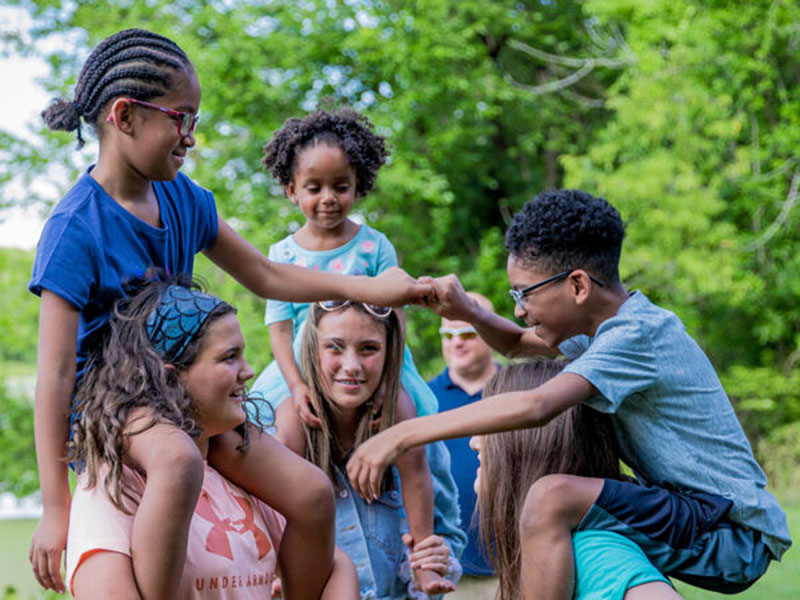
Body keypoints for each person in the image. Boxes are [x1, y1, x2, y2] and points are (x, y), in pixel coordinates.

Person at [29, 29, 431, 595]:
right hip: (116, 407)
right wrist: (54, 506)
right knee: (176, 460)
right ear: (124, 116)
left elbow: (266, 275)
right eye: (180, 118)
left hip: (186, 394)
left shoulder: (182, 198)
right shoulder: (75, 229)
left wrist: (374, 287)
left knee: (312, 493)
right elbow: (54, 374)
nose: (189, 136)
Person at [346, 189, 792, 600]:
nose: (519, 308)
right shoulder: (603, 332)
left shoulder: (638, 335)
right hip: (693, 514)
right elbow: (518, 345)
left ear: (578, 285)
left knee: (550, 496)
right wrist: (467, 310)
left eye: (525, 294)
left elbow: (537, 405)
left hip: (732, 532)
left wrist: (403, 435)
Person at [65, 277, 358, 599]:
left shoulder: (239, 473)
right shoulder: (113, 487)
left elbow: (336, 566)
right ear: (169, 377)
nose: (248, 371)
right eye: (229, 357)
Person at [249, 107, 438, 426]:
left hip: (371, 367)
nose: (328, 198)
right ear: (292, 190)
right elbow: (281, 331)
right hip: (304, 370)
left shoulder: (375, 247)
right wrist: (296, 387)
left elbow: (396, 323)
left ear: (357, 185)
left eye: (340, 186)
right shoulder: (282, 256)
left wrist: (387, 384)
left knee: (405, 420)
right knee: (286, 430)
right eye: (314, 188)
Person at [273, 300, 463, 599]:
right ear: (313, 350)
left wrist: (433, 559)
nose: (351, 366)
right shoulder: (289, 423)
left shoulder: (406, 416)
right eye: (334, 348)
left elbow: (446, 528)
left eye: (369, 349)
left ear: (390, 354)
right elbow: (276, 516)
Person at [474, 360, 681, 600]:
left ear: (531, 442)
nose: (475, 442)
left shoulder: (592, 551)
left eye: (489, 427)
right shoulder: (555, 549)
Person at [427, 292, 498, 582]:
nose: (457, 342)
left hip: (510, 565)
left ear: (492, 332)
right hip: (445, 570)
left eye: (468, 332)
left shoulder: (521, 394)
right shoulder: (422, 399)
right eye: (448, 334)